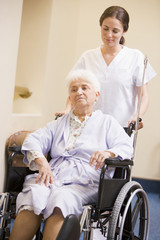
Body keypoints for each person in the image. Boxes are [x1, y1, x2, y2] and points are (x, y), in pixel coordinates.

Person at [10, 69, 133, 240]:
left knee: (62, 198)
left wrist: (107, 152)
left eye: (84, 88)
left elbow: (125, 146)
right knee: (34, 193)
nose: (79, 92)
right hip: (53, 175)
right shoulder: (58, 124)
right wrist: (42, 162)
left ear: (96, 95)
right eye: (74, 89)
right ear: (70, 97)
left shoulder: (108, 123)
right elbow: (33, 140)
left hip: (85, 180)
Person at [56, 6, 156, 129]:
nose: (109, 35)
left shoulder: (135, 57)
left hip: (122, 128)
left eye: (115, 31)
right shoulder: (88, 57)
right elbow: (76, 89)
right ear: (100, 27)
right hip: (89, 127)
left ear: (124, 31)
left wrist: (137, 116)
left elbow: (144, 95)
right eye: (105, 29)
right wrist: (67, 109)